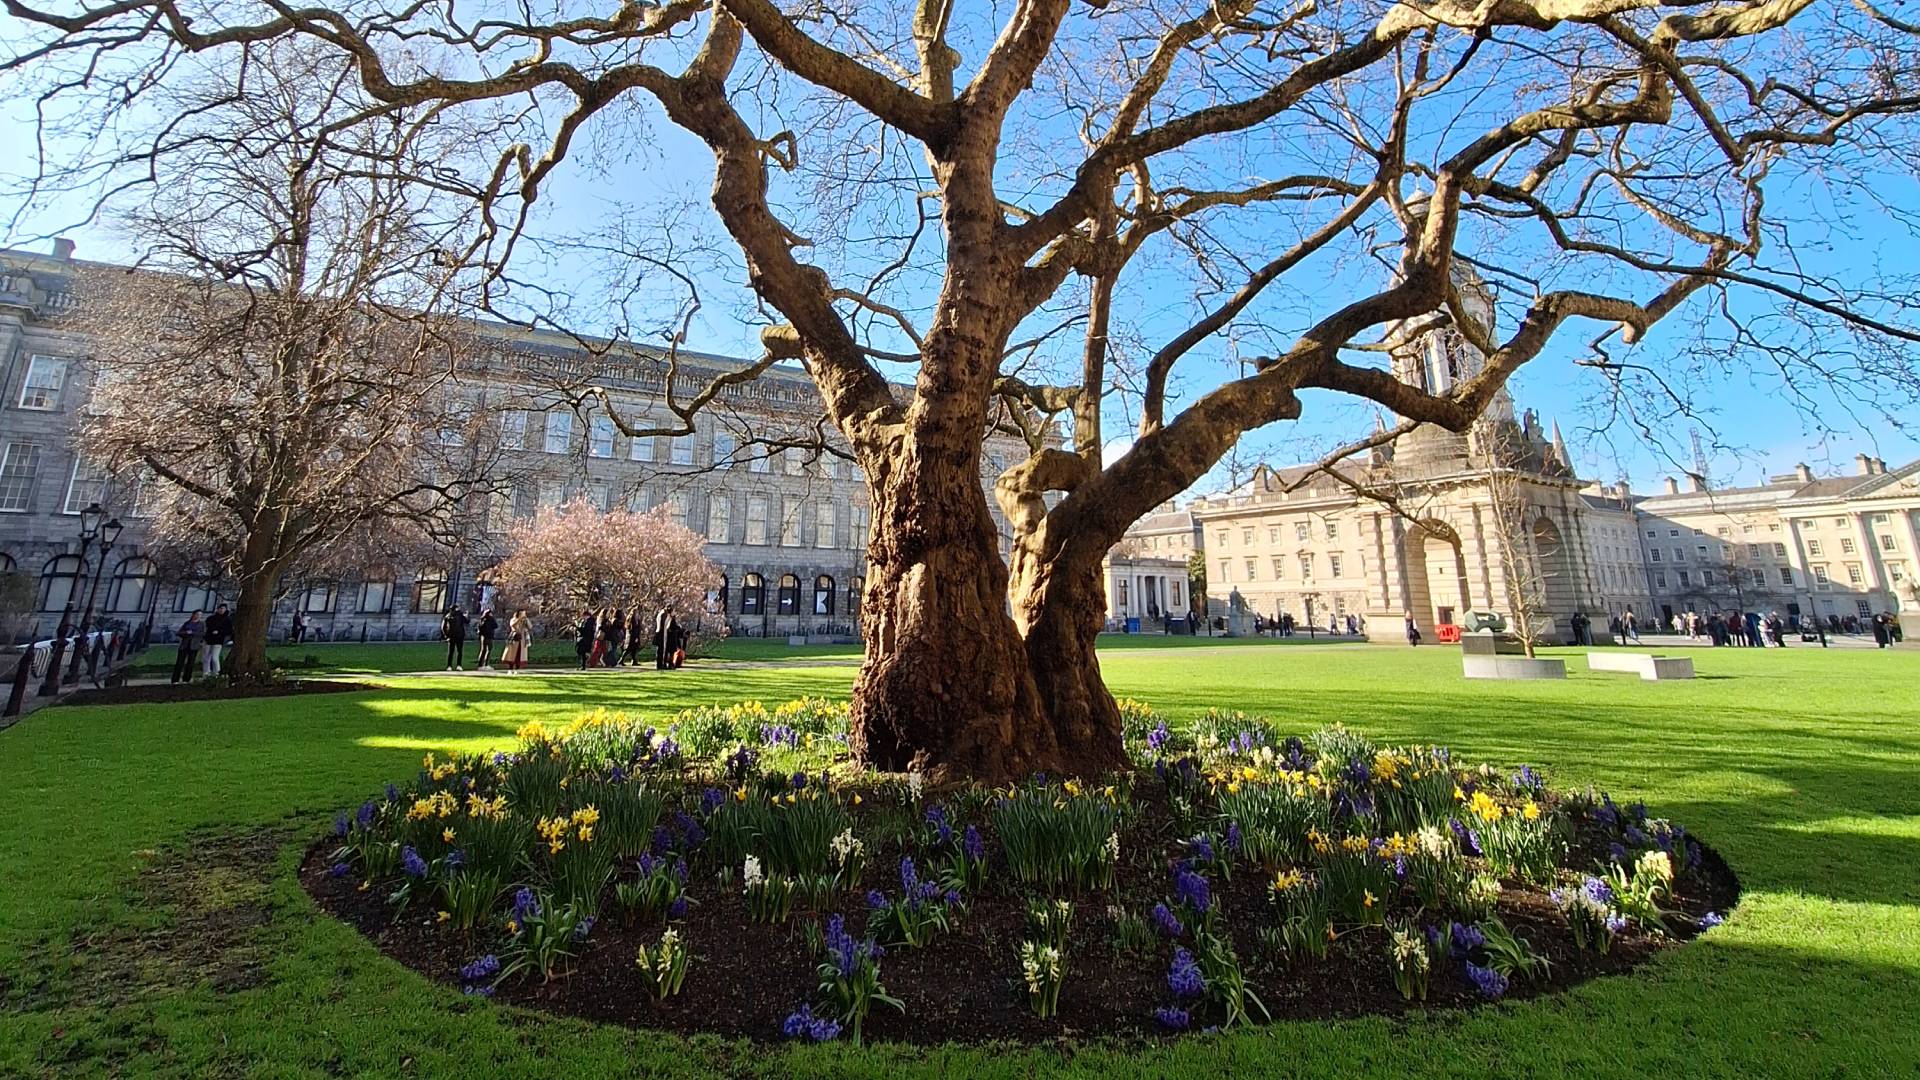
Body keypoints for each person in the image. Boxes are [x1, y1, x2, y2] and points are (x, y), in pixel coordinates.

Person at [200, 603, 233, 676]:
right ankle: (206, 673)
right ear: (217, 609)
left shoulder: (227, 620)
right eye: (220, 608)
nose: (221, 610)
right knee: (206, 657)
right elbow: (208, 625)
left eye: (223, 609)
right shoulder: (211, 618)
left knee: (215, 658)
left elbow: (229, 630)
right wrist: (212, 630)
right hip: (208, 639)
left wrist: (219, 632)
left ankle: (217, 673)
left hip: (218, 640)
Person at [172, 610, 204, 684]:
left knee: (190, 663)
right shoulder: (187, 623)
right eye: (197, 614)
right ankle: (175, 679)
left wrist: (193, 633)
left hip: (194, 646)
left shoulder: (201, 624)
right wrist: (186, 633)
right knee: (179, 663)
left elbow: (202, 633)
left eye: (200, 615)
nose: (198, 616)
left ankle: (186, 679)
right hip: (184, 645)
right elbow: (179, 632)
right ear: (193, 615)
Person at [441, 605, 470, 671]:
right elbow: (467, 621)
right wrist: (467, 615)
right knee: (459, 651)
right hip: (459, 636)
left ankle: (449, 666)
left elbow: (443, 627)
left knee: (451, 652)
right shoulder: (460, 615)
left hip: (451, 636)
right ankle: (459, 665)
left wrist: (446, 636)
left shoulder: (447, 616)